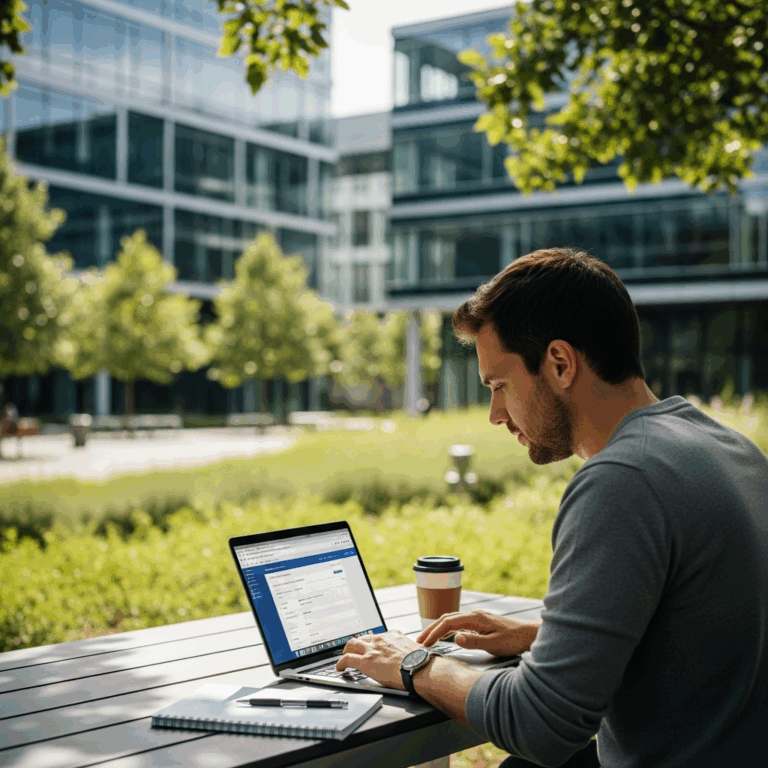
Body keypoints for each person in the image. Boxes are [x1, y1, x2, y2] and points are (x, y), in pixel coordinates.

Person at [336, 248, 768, 767]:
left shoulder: (623, 480)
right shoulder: (728, 448)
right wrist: (548, 639)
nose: (495, 414)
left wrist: (414, 662)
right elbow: (708, 631)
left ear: (560, 363)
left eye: (500, 385)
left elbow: (543, 724)